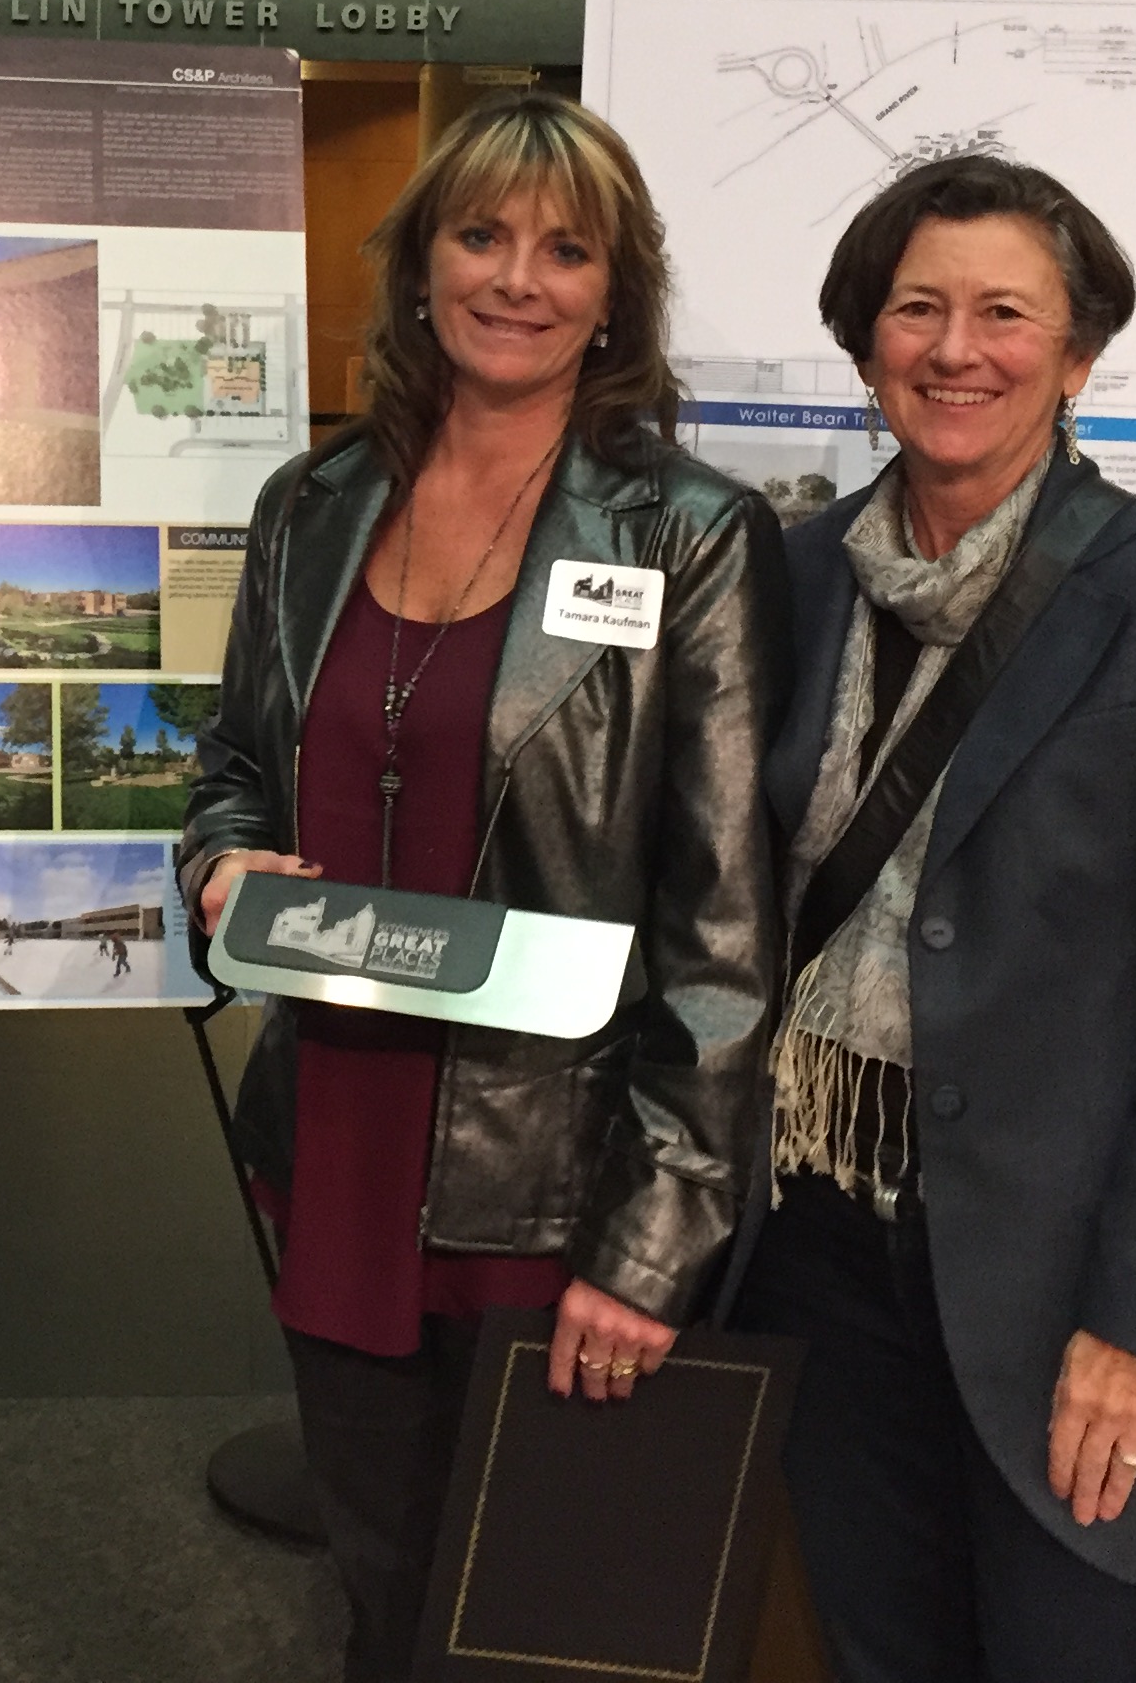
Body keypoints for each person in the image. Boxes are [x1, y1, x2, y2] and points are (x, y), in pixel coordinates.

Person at [183, 92, 787, 1681]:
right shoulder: (312, 510)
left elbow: (725, 931)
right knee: (383, 1601)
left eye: (564, 249)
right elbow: (234, 761)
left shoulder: (693, 539)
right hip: (338, 1144)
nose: (517, 278)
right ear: (422, 263)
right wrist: (221, 860)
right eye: (481, 234)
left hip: (556, 1174)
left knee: (536, 1626)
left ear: (616, 293)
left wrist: (656, 1242)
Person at [736, 156, 1136, 1683]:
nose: (955, 349)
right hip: (817, 1243)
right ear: (867, 347)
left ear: (1078, 354)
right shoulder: (791, 579)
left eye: (1005, 312)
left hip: (1063, 1275)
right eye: (917, 308)